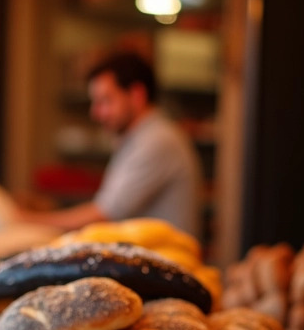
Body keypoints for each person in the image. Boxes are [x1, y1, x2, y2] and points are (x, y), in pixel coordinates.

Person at [19, 51, 203, 239]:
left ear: (136, 95)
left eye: (105, 101)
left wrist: (25, 220)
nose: (95, 113)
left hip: (166, 262)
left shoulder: (157, 141)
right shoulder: (140, 138)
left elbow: (103, 215)